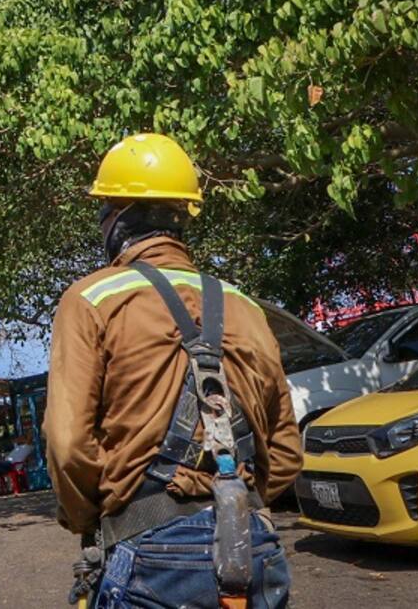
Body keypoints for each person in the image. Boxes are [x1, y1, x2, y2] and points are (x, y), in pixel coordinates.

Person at [43, 133, 301, 608]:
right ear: (182, 217)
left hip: (154, 554)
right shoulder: (245, 306)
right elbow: (284, 451)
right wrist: (229, 501)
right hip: (255, 549)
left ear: (117, 219)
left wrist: (90, 520)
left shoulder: (91, 299)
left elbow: (68, 444)